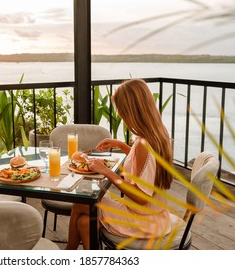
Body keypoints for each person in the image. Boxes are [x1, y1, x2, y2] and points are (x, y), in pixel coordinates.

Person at [65, 78, 173, 250]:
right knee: (85, 223)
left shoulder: (144, 143)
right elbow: (146, 169)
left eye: (122, 111)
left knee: (80, 203)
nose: (121, 116)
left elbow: (141, 197)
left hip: (143, 221)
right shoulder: (159, 134)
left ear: (132, 111)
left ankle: (67, 253)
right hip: (157, 215)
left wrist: (106, 171)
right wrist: (122, 145)